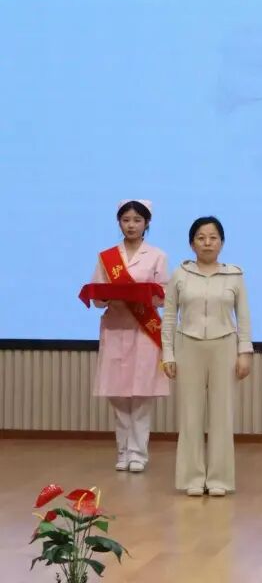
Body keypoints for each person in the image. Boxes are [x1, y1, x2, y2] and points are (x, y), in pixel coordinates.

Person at [162, 216, 253, 497]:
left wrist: (244, 352)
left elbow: (243, 317)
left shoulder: (234, 275)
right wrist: (168, 354)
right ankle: (192, 477)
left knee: (222, 415)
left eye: (213, 237)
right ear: (192, 243)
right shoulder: (180, 274)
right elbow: (169, 316)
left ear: (222, 242)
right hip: (187, 345)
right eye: (201, 238)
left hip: (224, 345)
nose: (207, 243)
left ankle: (219, 479)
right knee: (190, 415)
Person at [90, 200, 169, 473]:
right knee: (118, 394)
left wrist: (143, 295)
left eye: (137, 220)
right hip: (115, 327)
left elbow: (164, 296)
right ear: (119, 223)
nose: (131, 225)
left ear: (147, 223)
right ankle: (123, 451)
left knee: (142, 395)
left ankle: (138, 453)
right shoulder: (107, 257)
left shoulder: (157, 256)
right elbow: (97, 296)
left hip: (144, 331)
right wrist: (106, 297)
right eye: (126, 220)